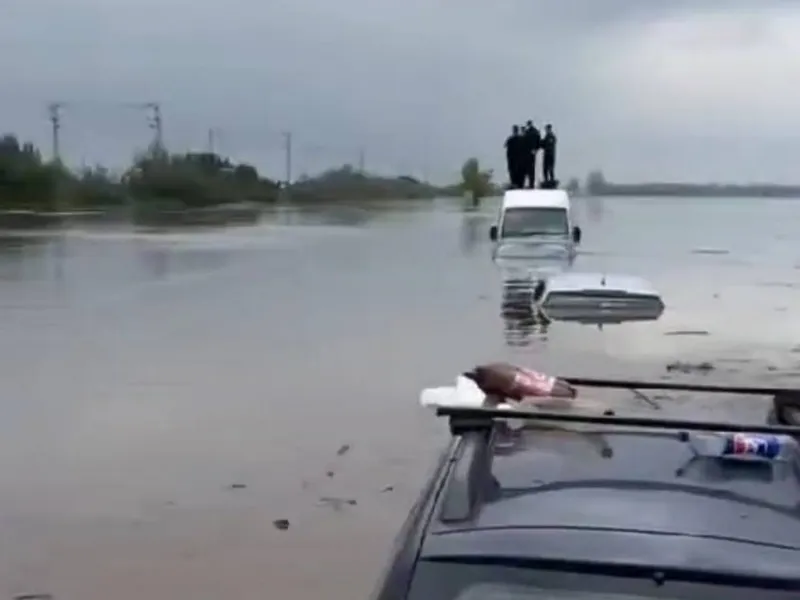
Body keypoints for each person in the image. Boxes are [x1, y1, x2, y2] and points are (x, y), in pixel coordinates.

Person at [522, 120, 541, 189]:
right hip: (532, 152)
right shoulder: (536, 132)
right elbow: (539, 143)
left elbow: (524, 142)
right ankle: (531, 183)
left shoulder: (527, 133)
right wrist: (535, 150)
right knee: (532, 168)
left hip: (526, 152)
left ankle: (529, 183)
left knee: (527, 168)